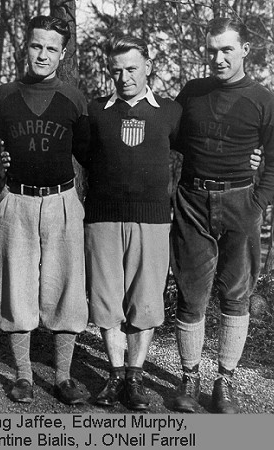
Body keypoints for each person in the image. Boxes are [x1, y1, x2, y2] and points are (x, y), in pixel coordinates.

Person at [171, 17, 274, 413]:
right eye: (212, 51)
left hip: (241, 204)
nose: (218, 59)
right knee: (191, 294)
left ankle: (225, 382)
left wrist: (258, 202)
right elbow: (169, 136)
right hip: (192, 201)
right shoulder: (193, 93)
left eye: (226, 50)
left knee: (236, 294)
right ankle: (189, 377)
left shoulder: (265, 100)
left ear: (244, 51)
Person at [0, 15, 89, 406]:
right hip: (17, 199)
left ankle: (63, 376)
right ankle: (23, 376)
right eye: (36, 45)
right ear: (25, 46)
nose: (42, 54)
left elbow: (92, 155)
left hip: (63, 200)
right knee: (16, 288)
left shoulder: (74, 99)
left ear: (62, 54)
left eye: (51, 48)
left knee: (66, 288)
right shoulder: (3, 96)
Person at [83, 36, 182, 411]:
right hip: (103, 218)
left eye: (132, 69)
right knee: (107, 302)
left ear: (148, 67)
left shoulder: (169, 112)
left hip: (153, 220)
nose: (124, 77)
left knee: (145, 301)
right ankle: (114, 375)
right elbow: (81, 153)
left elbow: (200, 148)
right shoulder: (96, 111)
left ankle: (135, 379)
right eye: (117, 70)